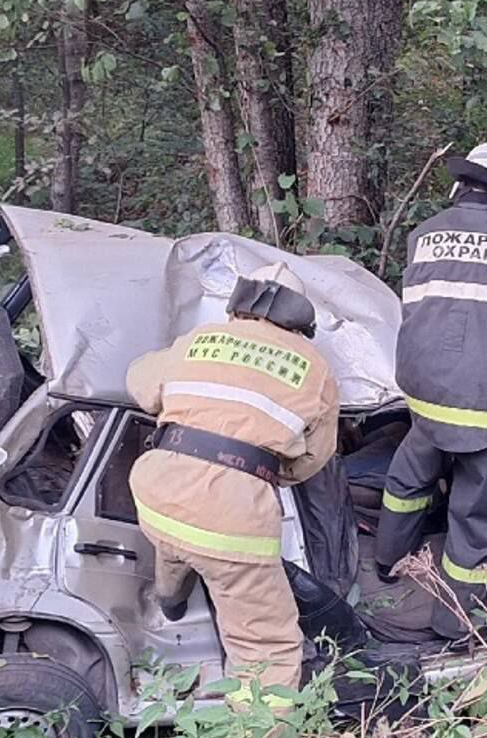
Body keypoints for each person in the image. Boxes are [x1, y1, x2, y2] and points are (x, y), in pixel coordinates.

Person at [126, 262, 340, 706]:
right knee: (267, 648)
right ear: (301, 317)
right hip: (231, 518)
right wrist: (264, 475)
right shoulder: (314, 369)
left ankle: (170, 596)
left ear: (240, 303)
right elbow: (315, 457)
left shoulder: (200, 339)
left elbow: (140, 383)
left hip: (157, 491)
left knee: (177, 540)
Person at [374, 138, 487, 639]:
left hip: (424, 389)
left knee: (409, 479)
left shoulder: (423, 234)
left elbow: (416, 312)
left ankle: (387, 562)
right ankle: (457, 625)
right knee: (481, 515)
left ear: (460, 185)